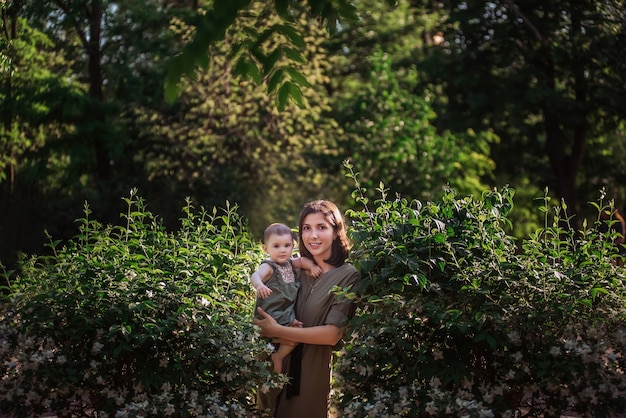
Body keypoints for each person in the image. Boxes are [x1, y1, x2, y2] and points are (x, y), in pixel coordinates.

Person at [254, 200, 361, 418]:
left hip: (310, 373)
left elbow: (331, 335)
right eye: (306, 228)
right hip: (270, 368)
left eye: (321, 227)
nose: (313, 235)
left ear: (335, 232)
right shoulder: (290, 268)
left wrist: (277, 331)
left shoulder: (347, 275)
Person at [251, 222, 322, 374]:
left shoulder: (291, 264)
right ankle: (260, 365)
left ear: (293, 245)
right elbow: (255, 275)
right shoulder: (269, 267)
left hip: (285, 315)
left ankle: (278, 356)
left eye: (287, 245)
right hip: (269, 314)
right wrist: (259, 286)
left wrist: (312, 266)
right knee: (272, 343)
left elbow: (302, 261)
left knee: (297, 334)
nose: (282, 250)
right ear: (266, 249)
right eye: (276, 246)